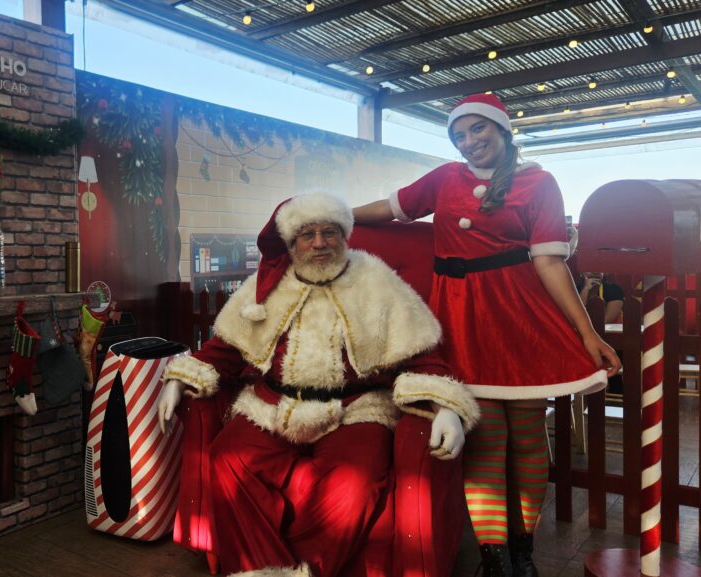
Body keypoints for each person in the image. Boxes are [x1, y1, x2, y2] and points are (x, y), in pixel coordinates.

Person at [351, 94, 621, 577]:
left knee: (527, 436)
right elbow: (392, 210)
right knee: (486, 440)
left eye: (478, 130)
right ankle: (494, 558)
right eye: (459, 135)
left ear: (501, 128)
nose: (469, 142)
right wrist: (337, 217)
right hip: (460, 320)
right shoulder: (443, 179)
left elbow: (549, 261)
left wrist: (587, 333)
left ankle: (524, 550)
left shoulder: (539, 182)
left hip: (520, 319)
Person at [157, 192, 480, 577]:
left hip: (355, 410)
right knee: (227, 458)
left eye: (329, 232)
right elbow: (224, 348)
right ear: (292, 243)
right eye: (307, 234)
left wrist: (445, 406)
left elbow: (421, 355)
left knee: (354, 484)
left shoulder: (376, 280)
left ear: (344, 237)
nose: (320, 242)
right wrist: (180, 377)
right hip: (273, 406)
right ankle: (263, 569)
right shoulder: (266, 286)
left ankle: (306, 570)